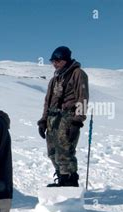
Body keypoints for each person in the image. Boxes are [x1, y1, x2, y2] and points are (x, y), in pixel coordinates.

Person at [37, 46, 89, 187]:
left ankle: (69, 183)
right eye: (53, 61)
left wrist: (77, 122)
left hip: (68, 117)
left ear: (66, 60)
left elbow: (82, 98)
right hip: (52, 120)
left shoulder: (78, 74)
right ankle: (62, 179)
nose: (55, 63)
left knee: (65, 152)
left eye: (58, 61)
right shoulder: (54, 79)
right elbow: (47, 101)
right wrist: (43, 120)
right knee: (52, 152)